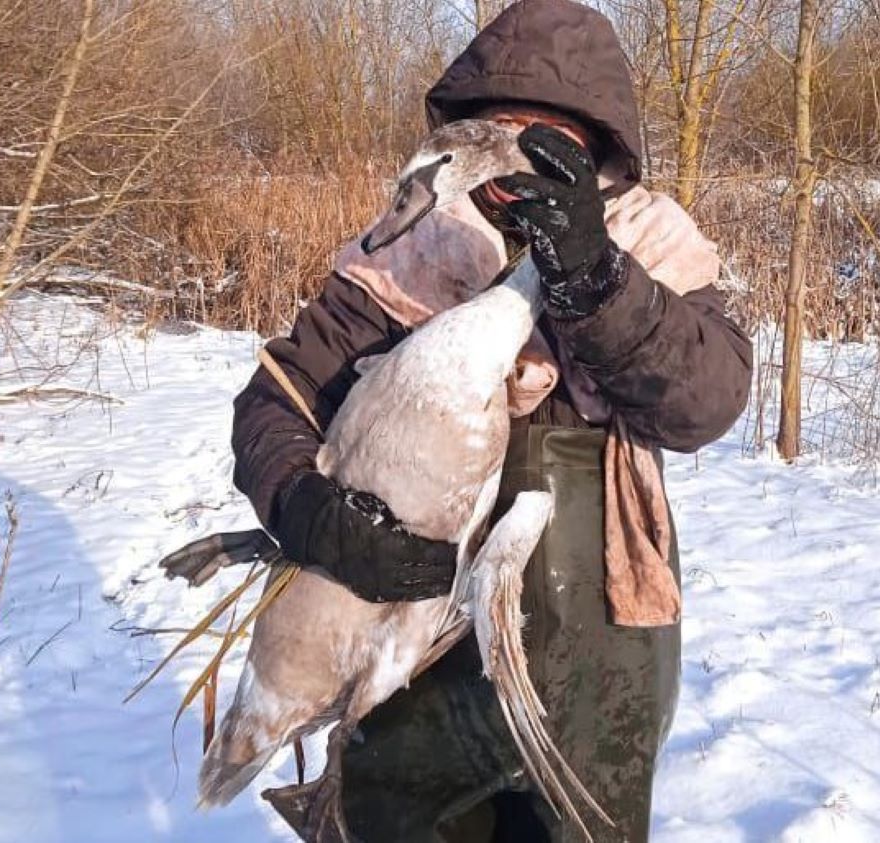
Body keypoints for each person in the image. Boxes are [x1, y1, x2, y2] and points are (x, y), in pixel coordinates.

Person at [230, 1, 752, 839]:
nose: (523, 157)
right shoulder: (410, 241)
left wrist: (595, 280)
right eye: (503, 127)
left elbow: (708, 399)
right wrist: (303, 502)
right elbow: (276, 400)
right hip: (414, 647)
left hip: (601, 647)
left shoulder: (650, 240)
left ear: (596, 146)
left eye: (551, 138)